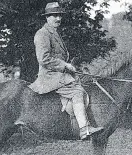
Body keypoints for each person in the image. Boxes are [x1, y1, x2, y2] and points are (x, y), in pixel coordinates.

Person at [29, 2, 103, 140]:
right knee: (77, 92)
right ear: (47, 17)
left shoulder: (54, 33)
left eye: (59, 16)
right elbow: (43, 59)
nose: (58, 19)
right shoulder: (42, 34)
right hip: (49, 76)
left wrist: (70, 66)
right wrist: (65, 65)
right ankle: (84, 129)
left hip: (58, 74)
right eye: (54, 16)